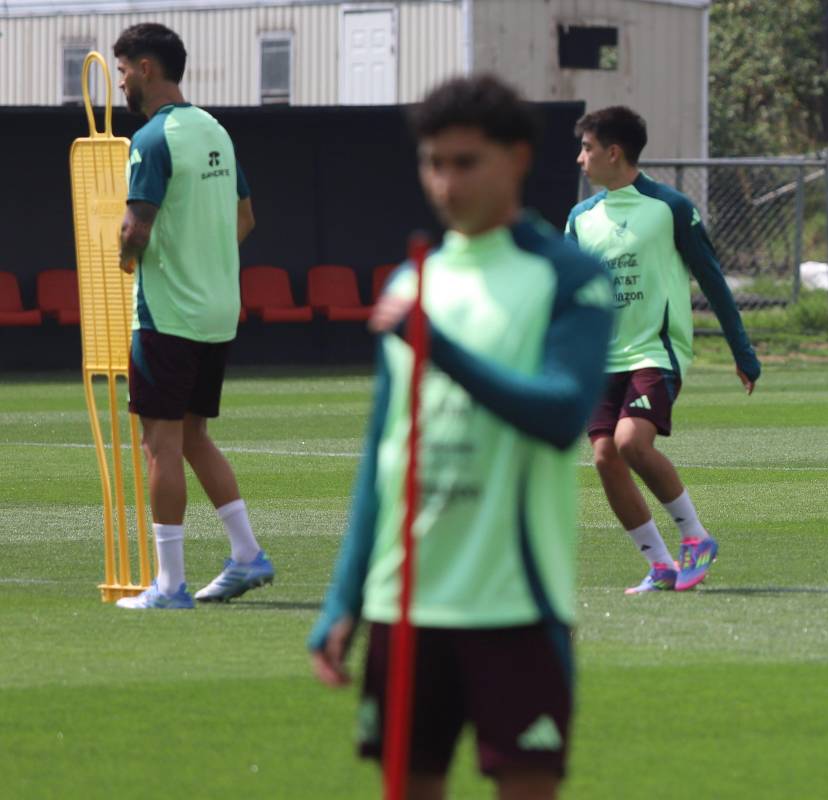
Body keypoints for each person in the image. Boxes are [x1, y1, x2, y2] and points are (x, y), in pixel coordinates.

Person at [308, 75, 612, 800]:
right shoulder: (412, 285)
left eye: (465, 162)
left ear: (515, 158)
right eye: (432, 162)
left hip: (515, 604)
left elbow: (562, 413)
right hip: (403, 606)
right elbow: (385, 455)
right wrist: (343, 597)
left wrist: (439, 348)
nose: (445, 182)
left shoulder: (568, 277)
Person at [566, 106, 761, 594]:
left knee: (632, 442)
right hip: (599, 359)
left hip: (654, 351)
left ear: (614, 152)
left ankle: (695, 538)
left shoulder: (669, 207)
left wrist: (742, 350)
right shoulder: (580, 218)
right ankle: (659, 563)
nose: (580, 159)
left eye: (587, 148)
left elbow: (713, 280)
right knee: (605, 456)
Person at [112, 23, 271, 609]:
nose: (121, 80)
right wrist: (207, 259)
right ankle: (248, 556)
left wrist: (125, 260)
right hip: (217, 310)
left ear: (147, 68)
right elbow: (246, 217)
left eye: (124, 68)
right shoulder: (217, 131)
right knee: (194, 436)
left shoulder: (151, 140)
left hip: (169, 314)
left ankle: (170, 586)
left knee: (161, 443)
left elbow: (135, 229)